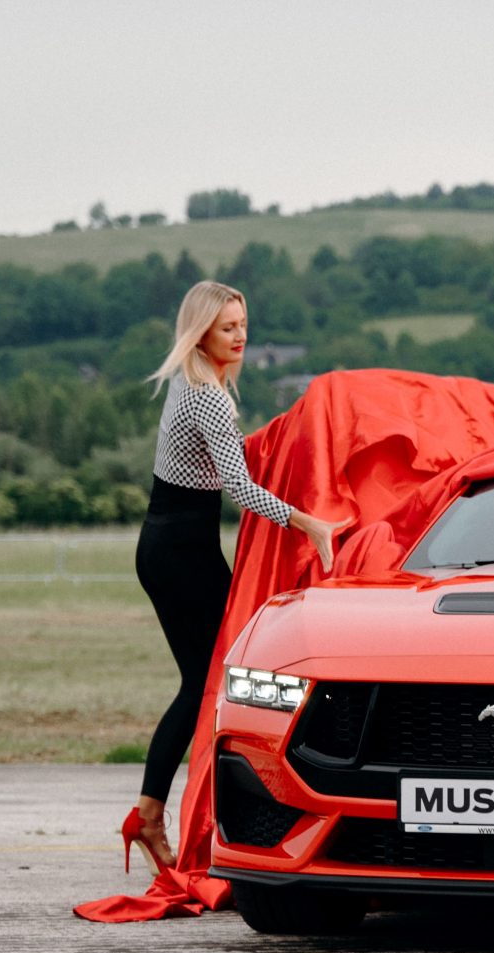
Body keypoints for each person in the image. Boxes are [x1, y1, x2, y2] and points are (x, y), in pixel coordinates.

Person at [123, 281, 351, 872]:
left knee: (214, 680)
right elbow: (242, 490)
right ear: (202, 332)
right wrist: (310, 524)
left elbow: (223, 460)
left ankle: (168, 812)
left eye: (244, 323)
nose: (241, 335)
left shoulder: (195, 380)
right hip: (180, 552)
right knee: (206, 684)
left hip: (175, 545)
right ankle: (154, 814)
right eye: (228, 327)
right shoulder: (208, 395)